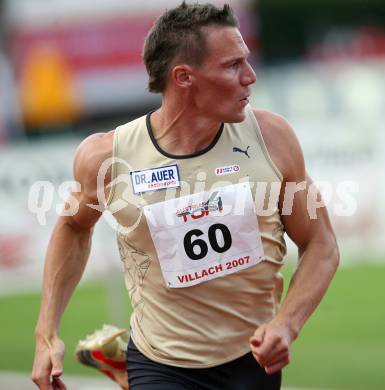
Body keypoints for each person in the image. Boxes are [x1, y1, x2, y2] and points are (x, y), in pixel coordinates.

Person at [32, 2, 339, 390]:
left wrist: (287, 325)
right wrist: (46, 336)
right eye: (232, 65)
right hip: (162, 361)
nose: (251, 76)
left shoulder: (271, 139)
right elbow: (73, 227)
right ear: (184, 78)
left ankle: (121, 368)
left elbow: (321, 243)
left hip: (252, 357)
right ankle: (133, 368)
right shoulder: (108, 157)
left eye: (247, 61)